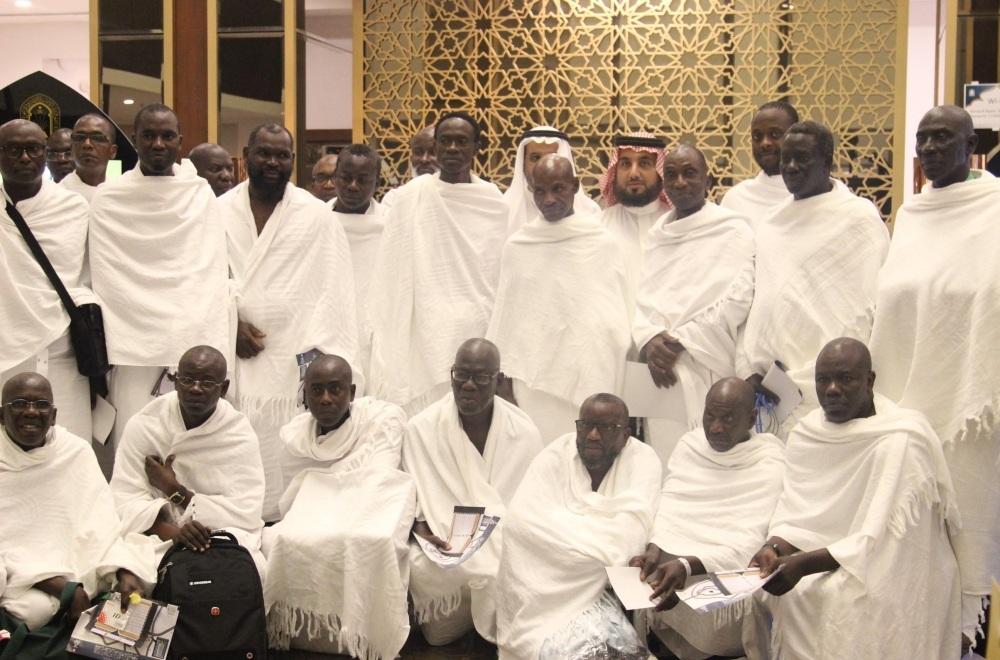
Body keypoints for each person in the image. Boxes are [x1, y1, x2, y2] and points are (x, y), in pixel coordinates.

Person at [869, 105, 1000, 650]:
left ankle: (966, 644)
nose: (929, 148)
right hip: (907, 407)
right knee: (913, 540)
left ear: (971, 146)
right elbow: (892, 308)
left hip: (972, 410)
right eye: (922, 139)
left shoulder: (994, 209)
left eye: (943, 138)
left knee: (966, 537)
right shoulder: (911, 214)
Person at [743, 338, 961, 660]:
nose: (832, 389)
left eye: (845, 378)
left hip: (890, 565)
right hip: (821, 557)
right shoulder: (806, 434)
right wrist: (773, 548)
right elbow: (794, 513)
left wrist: (804, 564)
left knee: (846, 601)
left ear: (869, 381)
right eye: (823, 380)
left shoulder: (901, 439)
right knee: (776, 593)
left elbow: (887, 540)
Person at [218, 122, 358, 522]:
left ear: (293, 161)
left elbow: (334, 292)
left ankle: (284, 527)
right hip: (234, 356)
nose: (273, 163)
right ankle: (239, 527)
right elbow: (199, 276)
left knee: (284, 463)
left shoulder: (316, 216)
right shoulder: (218, 211)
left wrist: (313, 361)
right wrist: (230, 322)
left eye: (282, 155)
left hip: (292, 361)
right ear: (247, 157)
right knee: (236, 459)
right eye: (264, 153)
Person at [89, 104, 230, 468]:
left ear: (180, 142)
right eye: (148, 135)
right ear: (133, 139)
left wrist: (193, 330)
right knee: (134, 447)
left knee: (193, 454)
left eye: (167, 136)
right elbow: (106, 274)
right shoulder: (110, 197)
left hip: (190, 344)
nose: (157, 143)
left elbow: (210, 271)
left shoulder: (199, 194)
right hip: (132, 347)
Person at [738, 121, 888, 435]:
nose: (791, 167)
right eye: (786, 158)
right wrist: (751, 366)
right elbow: (758, 299)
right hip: (770, 388)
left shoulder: (858, 218)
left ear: (827, 162)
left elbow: (867, 305)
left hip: (831, 385)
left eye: (802, 158)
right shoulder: (771, 223)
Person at [264, 355, 414, 659]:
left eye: (335, 389)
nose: (326, 399)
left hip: (367, 510)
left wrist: (333, 500)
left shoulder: (381, 420)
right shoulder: (294, 438)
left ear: (352, 392)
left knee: (372, 542)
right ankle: (311, 634)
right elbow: (295, 495)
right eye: (316, 390)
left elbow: (378, 478)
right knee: (278, 538)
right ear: (304, 395)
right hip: (311, 511)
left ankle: (367, 638)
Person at [495, 393, 661, 660]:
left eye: (605, 427)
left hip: (599, 587)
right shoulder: (555, 454)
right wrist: (599, 543)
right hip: (541, 593)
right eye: (586, 426)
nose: (593, 435)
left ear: (626, 434)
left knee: (621, 653)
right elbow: (520, 525)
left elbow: (630, 536)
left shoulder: (643, 459)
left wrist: (563, 537)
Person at [629, 378, 784, 659]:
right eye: (710, 416)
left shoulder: (769, 460)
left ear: (751, 419)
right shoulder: (691, 444)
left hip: (725, 565)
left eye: (727, 419)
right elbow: (671, 504)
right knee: (641, 566)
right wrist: (654, 546)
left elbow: (749, 541)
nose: (716, 427)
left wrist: (689, 565)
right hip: (676, 551)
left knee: (716, 593)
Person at [402, 339, 543, 646]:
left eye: (480, 377)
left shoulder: (523, 431)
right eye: (461, 375)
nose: (468, 385)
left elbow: (534, 501)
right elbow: (412, 494)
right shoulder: (421, 428)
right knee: (425, 566)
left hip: (506, 530)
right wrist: (420, 528)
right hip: (443, 534)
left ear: (498, 379)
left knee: (518, 561)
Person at [368, 112, 508, 414]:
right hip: (422, 328)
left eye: (461, 141)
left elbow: (499, 272)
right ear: (436, 145)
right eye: (445, 141)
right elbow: (391, 272)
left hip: (478, 327)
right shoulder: (409, 197)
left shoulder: (493, 202)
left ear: (477, 147)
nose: (453, 148)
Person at [487, 154, 630, 443]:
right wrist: (503, 378)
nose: (549, 199)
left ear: (575, 186)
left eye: (558, 189)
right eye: (540, 191)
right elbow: (505, 317)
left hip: (587, 372)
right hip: (531, 380)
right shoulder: (518, 246)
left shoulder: (601, 242)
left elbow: (614, 319)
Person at [0, 372, 154, 632]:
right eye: (19, 404)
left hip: (71, 568)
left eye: (41, 405)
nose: (31, 411)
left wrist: (122, 570)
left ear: (54, 416)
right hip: (18, 578)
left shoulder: (75, 452)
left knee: (132, 589)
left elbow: (102, 526)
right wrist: (62, 587)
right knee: (33, 611)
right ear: (1, 415)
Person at [633, 144, 755, 465]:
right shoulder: (658, 236)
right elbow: (642, 300)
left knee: (717, 460)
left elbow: (739, 299)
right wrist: (649, 339)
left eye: (690, 174)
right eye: (672, 175)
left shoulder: (733, 230)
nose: (680, 182)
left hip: (712, 365)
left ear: (708, 181)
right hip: (663, 374)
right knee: (668, 461)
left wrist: (681, 341)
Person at [110, 346, 266, 574]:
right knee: (127, 568)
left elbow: (246, 512)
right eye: (188, 380)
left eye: (207, 383)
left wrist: (174, 490)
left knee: (243, 570)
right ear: (175, 381)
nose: (195, 389)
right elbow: (123, 500)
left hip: (220, 535)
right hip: (156, 534)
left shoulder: (238, 433)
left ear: (223, 388)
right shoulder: (146, 424)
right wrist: (175, 533)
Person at [1, 119, 96, 441]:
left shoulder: (72, 207)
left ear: (45, 153)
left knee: (68, 443)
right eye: (13, 150)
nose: (24, 158)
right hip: (4, 348)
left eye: (33, 149)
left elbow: (88, 275)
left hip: (61, 348)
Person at [328, 144, 385, 380]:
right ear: (334, 177)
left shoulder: (391, 227)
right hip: (323, 335)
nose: (353, 186)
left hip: (376, 337)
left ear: (377, 183)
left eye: (362, 180)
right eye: (346, 177)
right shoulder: (314, 221)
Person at [598, 132, 672, 307]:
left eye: (644, 163)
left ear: (659, 171)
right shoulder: (599, 226)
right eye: (625, 164)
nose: (633, 173)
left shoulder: (675, 223)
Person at [502, 126, 601, 234]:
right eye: (536, 158)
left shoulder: (590, 212)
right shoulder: (504, 210)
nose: (543, 166)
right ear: (523, 164)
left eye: (552, 157)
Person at [720, 101, 798, 227]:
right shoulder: (736, 199)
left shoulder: (817, 195)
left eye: (774, 134)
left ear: (796, 137)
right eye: (757, 137)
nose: (765, 143)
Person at [61, 113, 118, 203]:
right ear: (72, 148)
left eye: (97, 138)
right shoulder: (57, 197)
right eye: (80, 137)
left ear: (113, 151)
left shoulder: (120, 194)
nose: (87, 144)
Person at [381, 126, 438, 209]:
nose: (424, 159)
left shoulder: (455, 196)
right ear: (411, 157)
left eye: (433, 152)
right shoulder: (394, 198)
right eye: (418, 152)